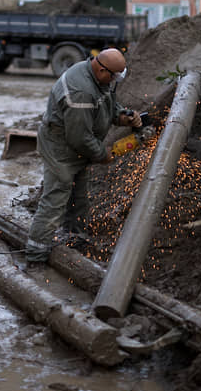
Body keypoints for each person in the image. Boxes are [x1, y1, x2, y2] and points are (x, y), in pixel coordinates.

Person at [24, 48, 142, 267]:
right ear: (101, 68)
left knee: (79, 198)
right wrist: (102, 154)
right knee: (56, 198)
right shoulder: (81, 91)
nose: (114, 81)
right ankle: (35, 256)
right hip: (60, 147)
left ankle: (74, 242)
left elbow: (107, 103)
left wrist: (123, 117)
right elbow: (79, 137)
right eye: (113, 76)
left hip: (76, 143)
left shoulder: (99, 78)